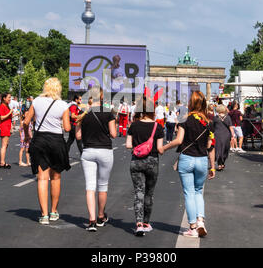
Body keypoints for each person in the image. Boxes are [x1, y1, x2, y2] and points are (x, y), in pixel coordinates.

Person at [163, 91, 216, 238]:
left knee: (189, 193)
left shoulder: (184, 120)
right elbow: (210, 145)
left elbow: (179, 141)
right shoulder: (209, 123)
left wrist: (163, 148)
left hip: (187, 159)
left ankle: (192, 227)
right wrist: (212, 166)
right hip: (202, 160)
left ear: (190, 104)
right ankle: (200, 221)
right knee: (198, 191)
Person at [24, 78, 71, 225]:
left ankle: (43, 215)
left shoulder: (36, 101)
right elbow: (67, 128)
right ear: (58, 89)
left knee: (42, 178)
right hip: (56, 141)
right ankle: (53, 211)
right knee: (55, 177)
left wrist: (27, 135)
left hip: (40, 140)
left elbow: (26, 122)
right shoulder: (63, 105)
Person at [75, 87, 117, 232]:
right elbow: (113, 134)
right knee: (103, 185)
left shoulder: (83, 113)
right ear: (100, 97)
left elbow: (78, 136)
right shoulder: (107, 112)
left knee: (90, 186)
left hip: (88, 151)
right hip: (105, 150)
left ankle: (91, 220)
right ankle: (101, 216)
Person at [126, 95, 164, 236]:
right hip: (152, 162)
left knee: (138, 192)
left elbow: (128, 145)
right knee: (149, 193)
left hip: (136, 161)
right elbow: (160, 149)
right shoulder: (158, 127)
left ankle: (139, 224)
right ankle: (147, 222)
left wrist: (138, 147)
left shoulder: (134, 125)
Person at [213, 105, 235, 171]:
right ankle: (222, 163)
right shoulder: (228, 118)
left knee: (218, 149)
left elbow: (212, 127)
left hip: (217, 135)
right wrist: (233, 136)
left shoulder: (215, 118)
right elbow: (231, 127)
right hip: (226, 135)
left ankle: (220, 164)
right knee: (225, 149)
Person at [0, 93, 13, 169]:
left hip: (7, 126)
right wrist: (10, 112)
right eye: (9, 97)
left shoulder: (6, 106)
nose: (10, 99)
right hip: (4, 127)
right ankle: (2, 163)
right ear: (4, 98)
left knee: (6, 145)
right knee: (4, 145)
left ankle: (1, 161)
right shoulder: (2, 106)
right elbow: (1, 118)